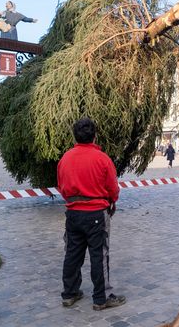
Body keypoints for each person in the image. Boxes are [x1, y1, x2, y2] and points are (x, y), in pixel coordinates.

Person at [57, 118, 125, 310]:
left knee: (72, 254)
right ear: (95, 137)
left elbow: (61, 186)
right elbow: (113, 188)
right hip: (96, 214)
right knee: (99, 255)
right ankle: (101, 298)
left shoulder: (65, 159)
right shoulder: (102, 159)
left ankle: (69, 294)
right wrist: (112, 201)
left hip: (73, 214)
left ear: (75, 136)